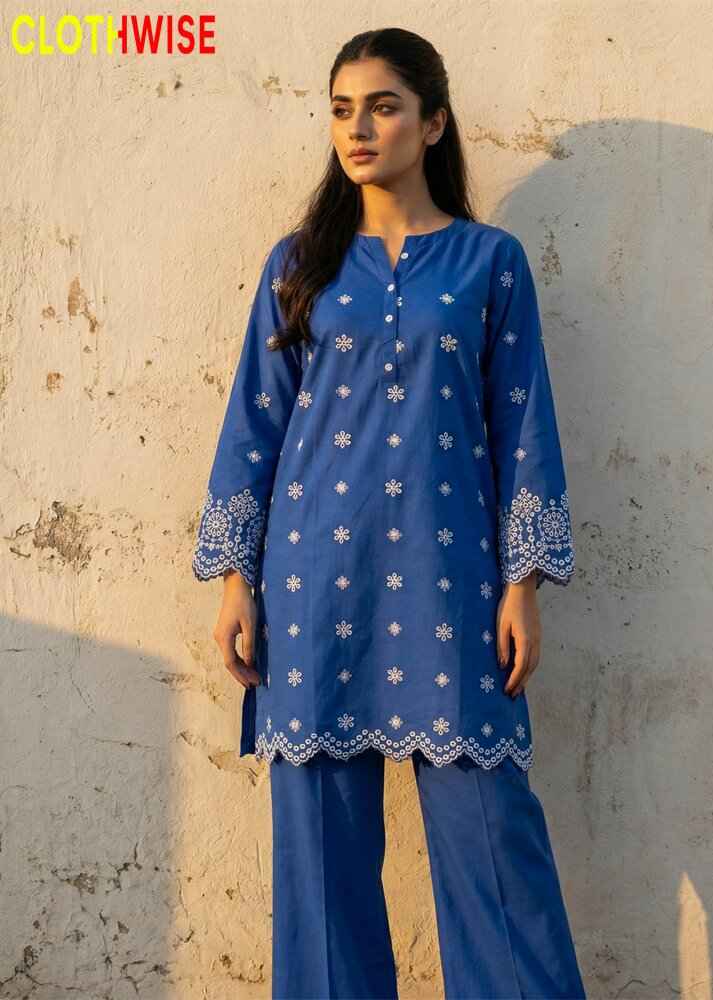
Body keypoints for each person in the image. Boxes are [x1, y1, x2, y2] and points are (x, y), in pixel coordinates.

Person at [192, 26, 585, 1000]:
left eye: (382, 106)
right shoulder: (300, 265)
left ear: (433, 122)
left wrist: (523, 586)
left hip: (455, 587)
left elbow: (523, 423)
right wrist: (238, 581)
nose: (358, 128)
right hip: (314, 586)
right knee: (322, 869)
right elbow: (255, 425)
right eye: (341, 110)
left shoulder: (490, 263)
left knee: (495, 849)